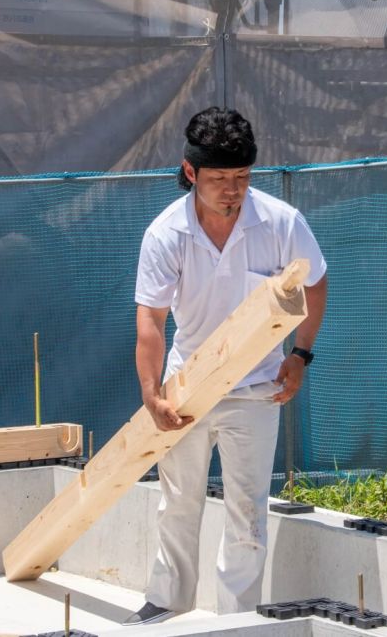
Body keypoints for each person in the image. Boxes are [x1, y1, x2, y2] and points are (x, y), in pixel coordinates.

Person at [124, 107, 327, 625]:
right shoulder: (167, 233)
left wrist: (300, 354)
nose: (232, 190)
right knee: (178, 501)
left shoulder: (280, 222)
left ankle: (236, 618)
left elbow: (315, 282)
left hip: (257, 390)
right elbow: (151, 319)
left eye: (241, 177)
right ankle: (167, 602)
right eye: (219, 179)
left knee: (246, 510)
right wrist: (153, 394)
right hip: (187, 388)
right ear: (191, 173)